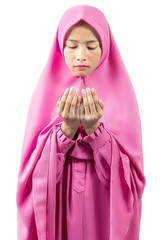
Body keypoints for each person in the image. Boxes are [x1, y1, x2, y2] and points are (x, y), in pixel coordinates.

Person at [16, 5, 146, 240]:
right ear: (60, 47)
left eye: (91, 46)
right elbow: (31, 176)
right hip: (58, 214)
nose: (81, 55)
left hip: (103, 213)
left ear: (105, 47)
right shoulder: (44, 95)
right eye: (72, 46)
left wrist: (97, 133)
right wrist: (66, 130)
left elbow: (132, 180)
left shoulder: (123, 96)